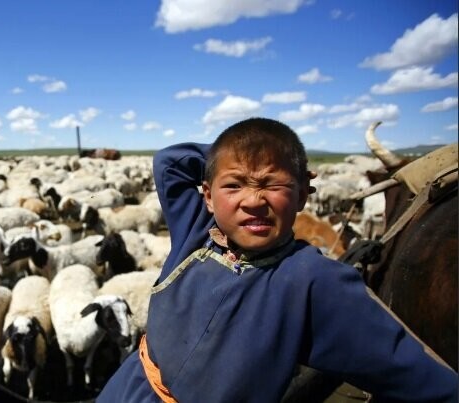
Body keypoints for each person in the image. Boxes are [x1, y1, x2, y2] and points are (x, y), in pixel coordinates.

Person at [97, 117, 457, 402]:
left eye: (273, 184)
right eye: (234, 185)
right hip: (126, 388)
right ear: (207, 196)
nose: (253, 200)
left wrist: (273, 163)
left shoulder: (314, 281)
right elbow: (170, 162)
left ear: (302, 195)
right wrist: (249, 155)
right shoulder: (195, 233)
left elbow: (414, 373)